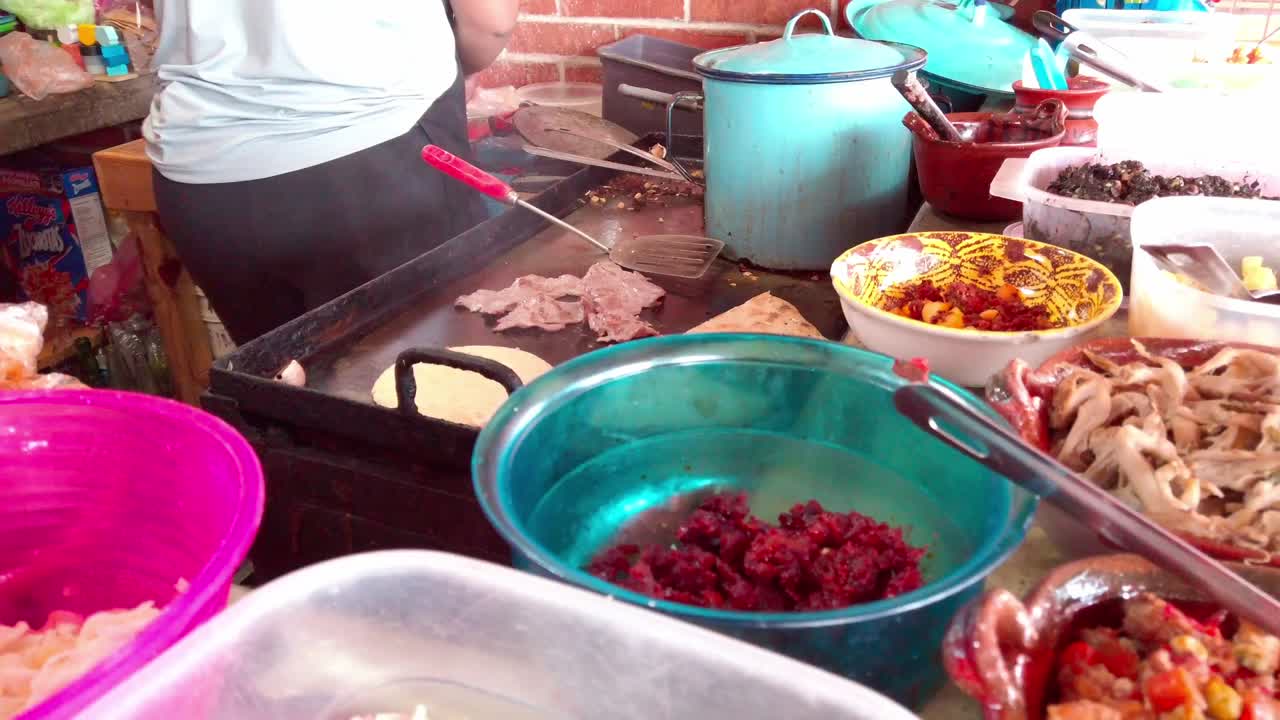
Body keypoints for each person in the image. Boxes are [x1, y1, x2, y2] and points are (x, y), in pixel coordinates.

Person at [143, 0, 518, 345]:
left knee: (284, 393)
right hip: (375, 150)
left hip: (202, 176)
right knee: (445, 385)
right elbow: (490, 24)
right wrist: (461, 65)